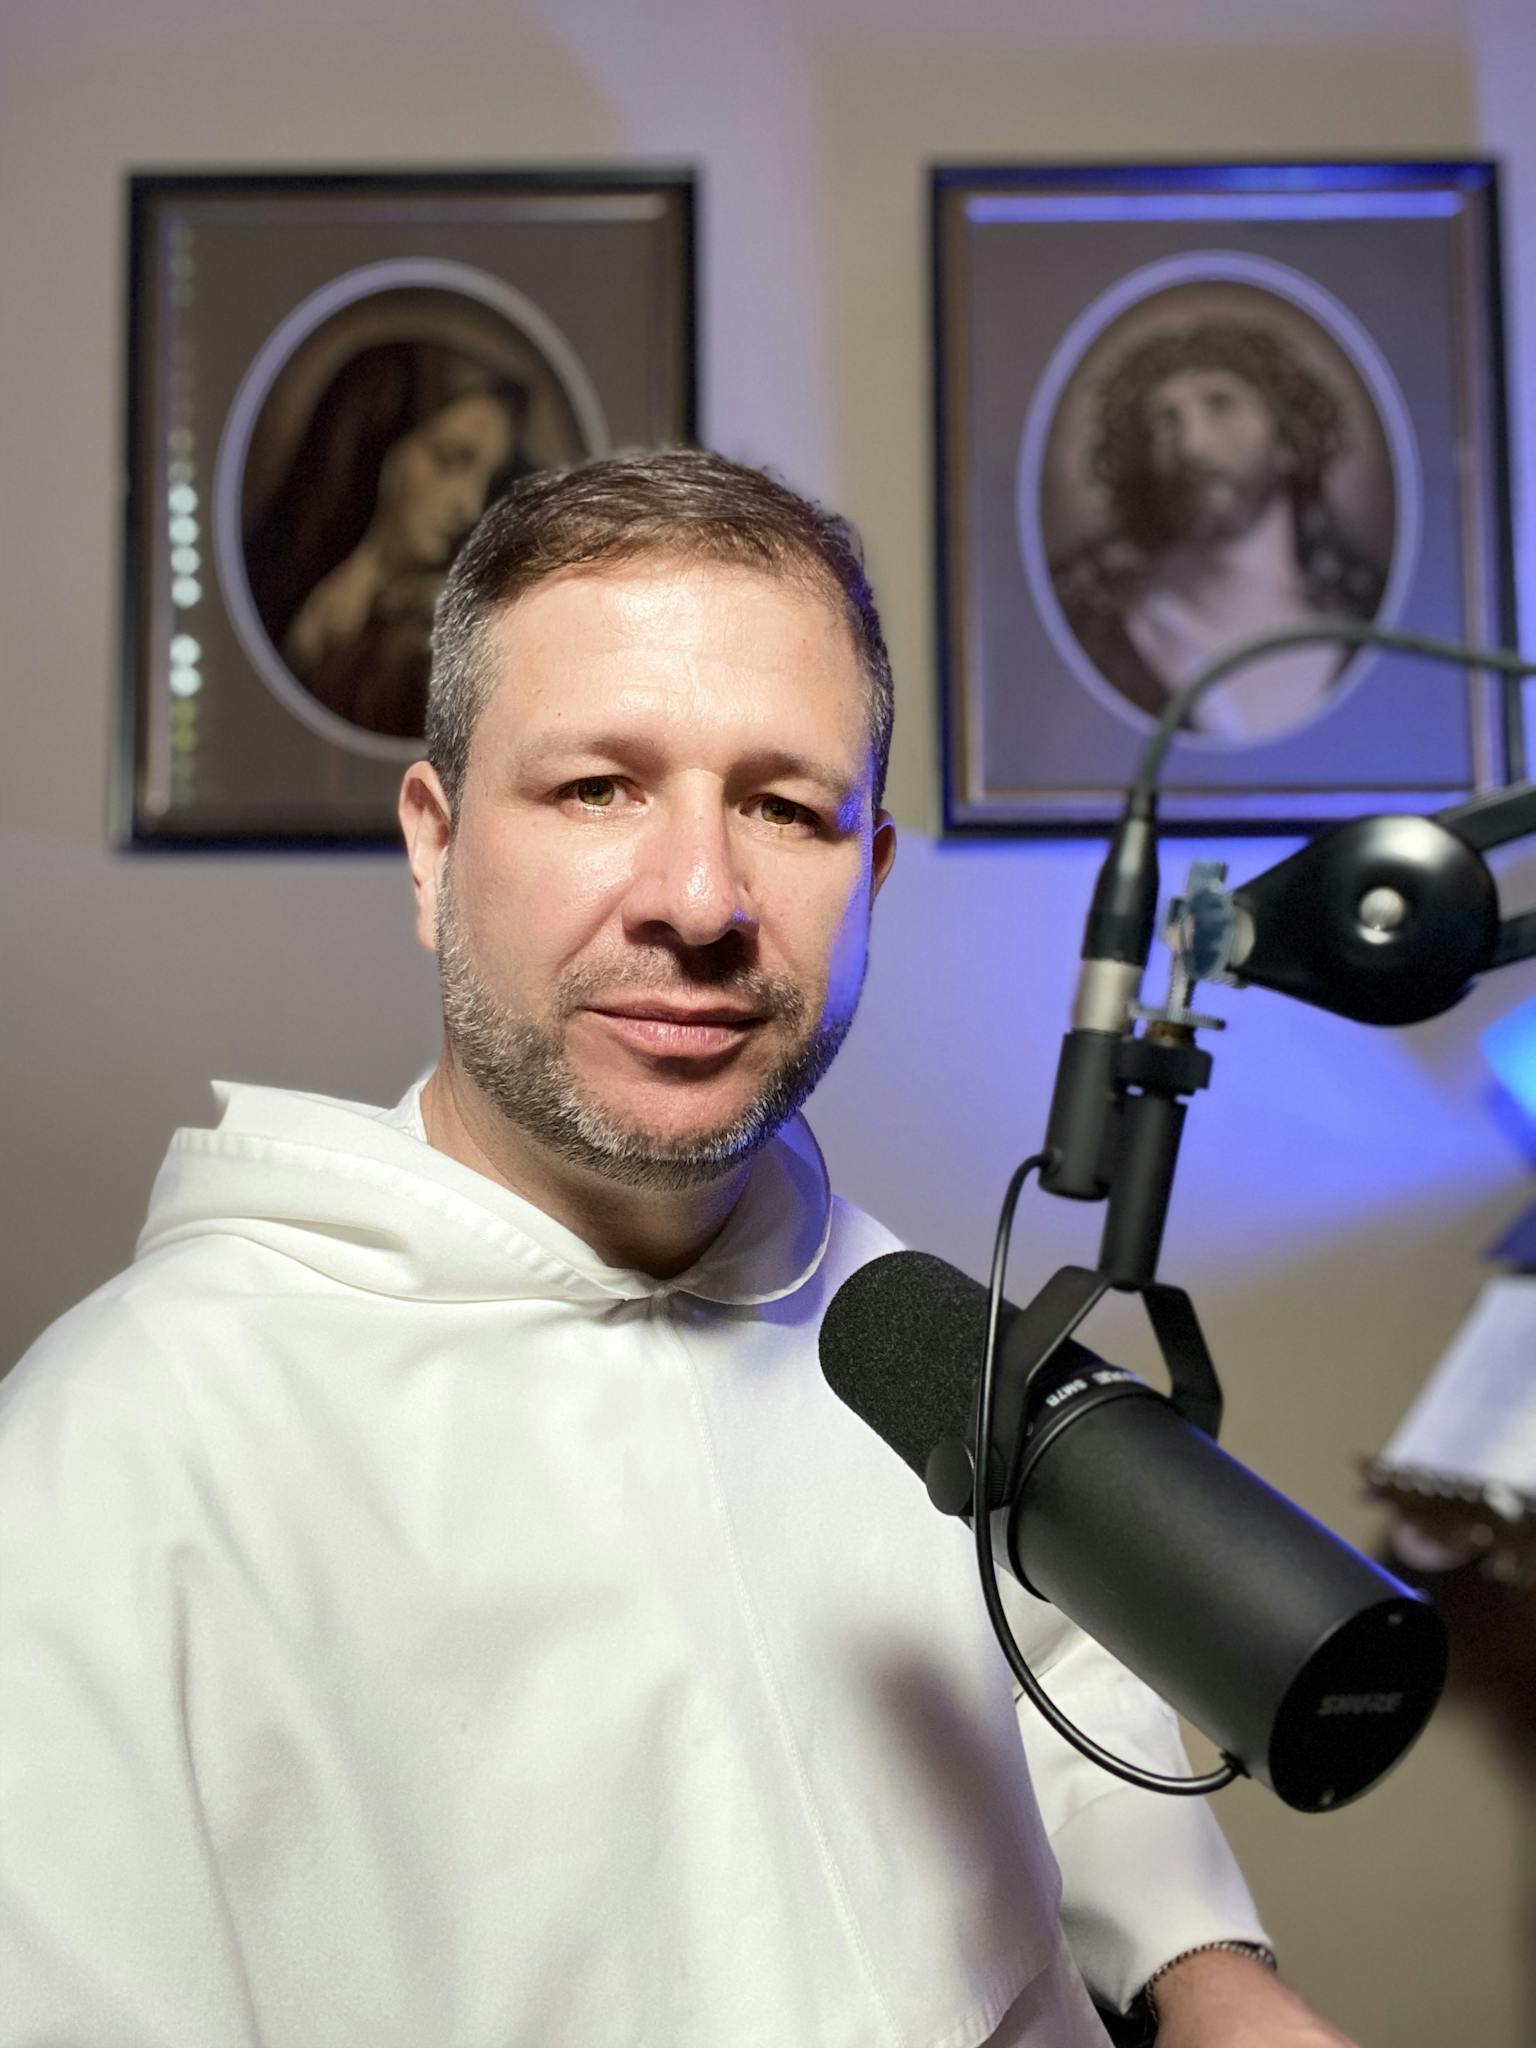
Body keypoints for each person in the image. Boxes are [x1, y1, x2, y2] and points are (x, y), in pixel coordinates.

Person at [2, 450, 1359, 2046]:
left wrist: (1204, 1974)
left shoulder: (895, 1323)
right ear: (435, 847)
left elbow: (1044, 1686)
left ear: (871, 878)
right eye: (598, 789)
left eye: (786, 809)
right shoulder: (128, 1452)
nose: (703, 899)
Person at [1049, 321, 1387, 742]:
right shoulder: (1094, 625)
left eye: (1220, 404)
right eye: (1164, 420)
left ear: (1288, 437)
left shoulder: (1372, 618)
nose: (1192, 446)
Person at [245, 338, 537, 738]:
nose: (469, 505)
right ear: (384, 445)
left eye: (487, 478)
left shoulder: (434, 636)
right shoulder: (278, 578)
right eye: (450, 459)